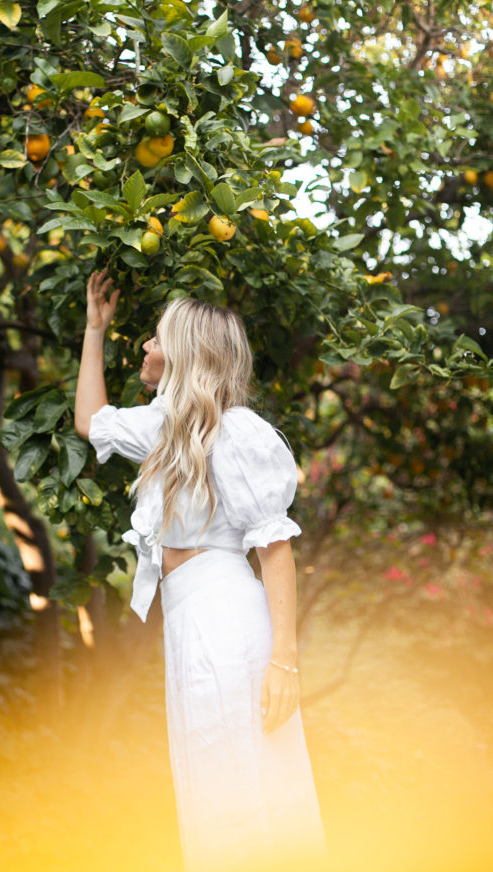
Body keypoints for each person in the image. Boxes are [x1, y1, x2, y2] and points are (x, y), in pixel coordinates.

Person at [75, 270, 326, 872]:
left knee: (247, 786)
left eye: (157, 339)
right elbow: (92, 421)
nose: (145, 347)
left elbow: (276, 549)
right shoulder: (167, 427)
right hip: (188, 620)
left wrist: (284, 662)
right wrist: (93, 329)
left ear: (185, 353)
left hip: (225, 616)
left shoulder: (236, 431)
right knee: (212, 791)